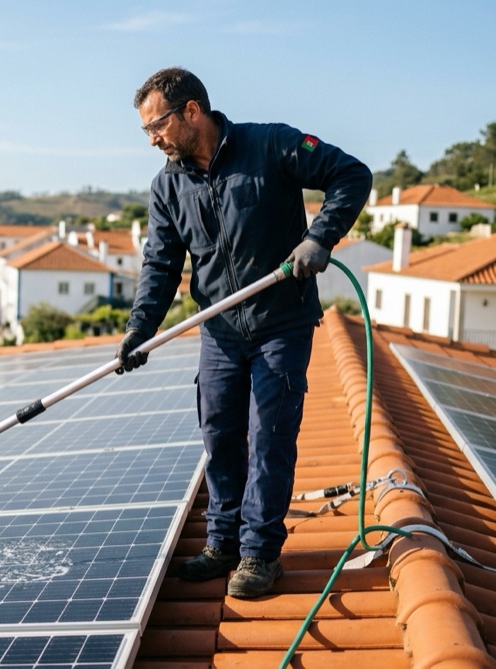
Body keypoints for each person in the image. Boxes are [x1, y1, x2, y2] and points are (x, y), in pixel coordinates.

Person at [116, 67, 371, 598]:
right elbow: (160, 265)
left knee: (269, 437)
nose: (152, 140)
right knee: (220, 435)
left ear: (191, 112)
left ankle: (259, 555)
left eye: (156, 126)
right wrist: (140, 328)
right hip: (220, 331)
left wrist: (320, 237)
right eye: (145, 132)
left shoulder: (271, 145)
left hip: (282, 322)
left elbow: (352, 174)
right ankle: (223, 543)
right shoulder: (168, 186)